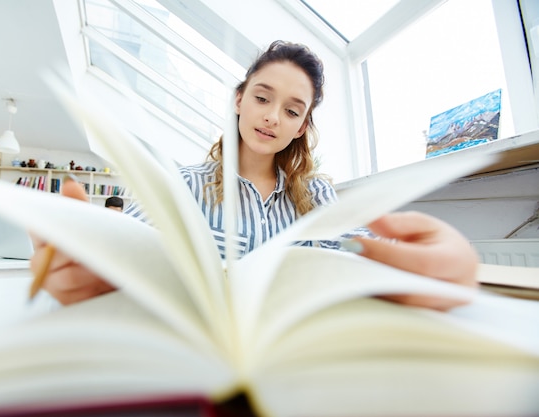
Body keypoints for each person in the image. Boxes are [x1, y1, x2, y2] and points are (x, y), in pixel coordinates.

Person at [31, 40, 478, 311]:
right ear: (239, 100)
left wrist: (434, 263)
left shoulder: (319, 195)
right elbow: (125, 247)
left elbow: (371, 252)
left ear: (301, 126)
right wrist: (89, 260)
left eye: (291, 110)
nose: (272, 118)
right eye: (262, 99)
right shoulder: (181, 183)